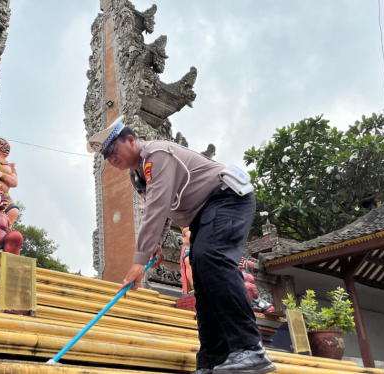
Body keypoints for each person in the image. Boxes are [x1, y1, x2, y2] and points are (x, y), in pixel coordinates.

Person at [86, 116, 276, 374]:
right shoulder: (137, 174)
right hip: (204, 215)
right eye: (107, 156)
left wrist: (139, 262)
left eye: (113, 150)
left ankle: (250, 349)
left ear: (130, 140)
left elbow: (156, 208)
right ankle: (212, 360)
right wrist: (156, 245)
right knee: (203, 277)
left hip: (227, 199)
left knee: (212, 259)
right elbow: (162, 208)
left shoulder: (156, 156)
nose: (112, 159)